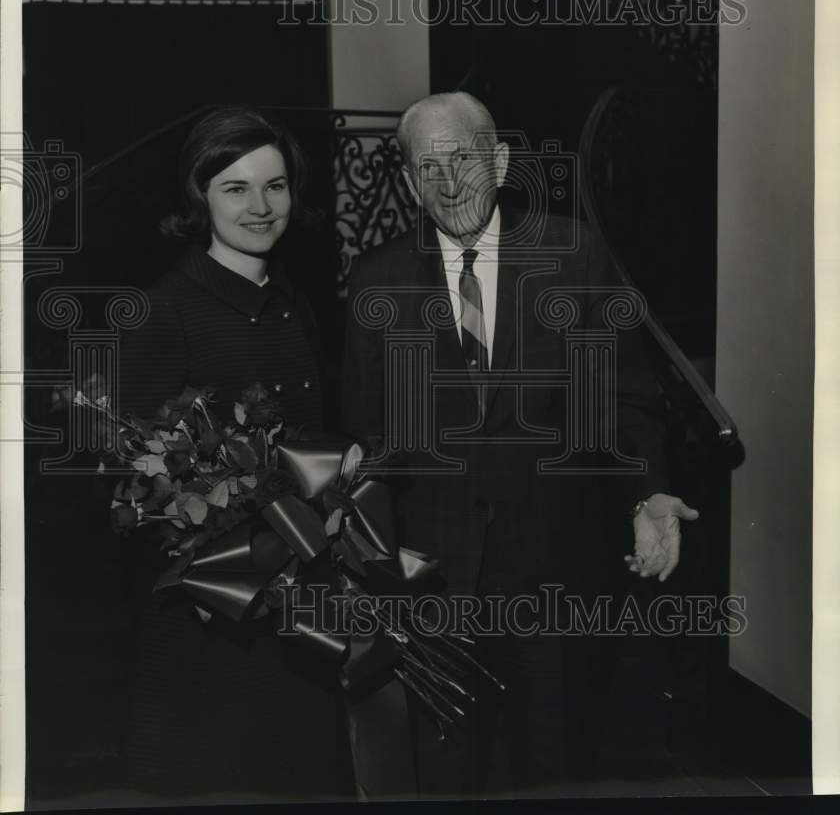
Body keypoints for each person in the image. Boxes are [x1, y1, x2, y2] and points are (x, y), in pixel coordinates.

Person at [341, 92, 699, 797]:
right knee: (446, 777)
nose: (449, 184)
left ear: (500, 162)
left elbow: (622, 399)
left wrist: (648, 495)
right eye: (428, 168)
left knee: (555, 767)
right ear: (409, 182)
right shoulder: (376, 279)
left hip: (555, 568)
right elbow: (367, 432)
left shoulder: (574, 254)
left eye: (464, 160)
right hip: (432, 580)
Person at [116, 107, 357, 803]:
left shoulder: (294, 302)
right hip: (211, 626)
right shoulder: (164, 311)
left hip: (301, 610)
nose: (261, 206)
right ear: (200, 197)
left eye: (275, 186)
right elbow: (142, 488)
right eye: (236, 188)